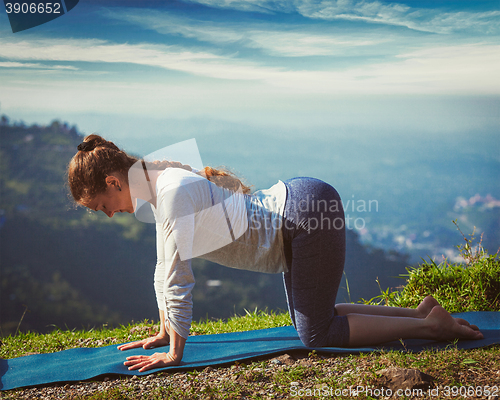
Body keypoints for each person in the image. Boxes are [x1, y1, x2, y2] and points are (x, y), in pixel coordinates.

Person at [67, 135, 483, 372]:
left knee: (317, 333)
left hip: (301, 218)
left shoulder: (169, 192)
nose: (107, 214)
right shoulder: (159, 182)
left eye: (101, 205)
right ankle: (423, 314)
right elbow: (164, 267)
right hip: (299, 204)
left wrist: (175, 351)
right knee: (321, 314)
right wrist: (163, 329)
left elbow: (178, 277)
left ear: (113, 182)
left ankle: (433, 330)